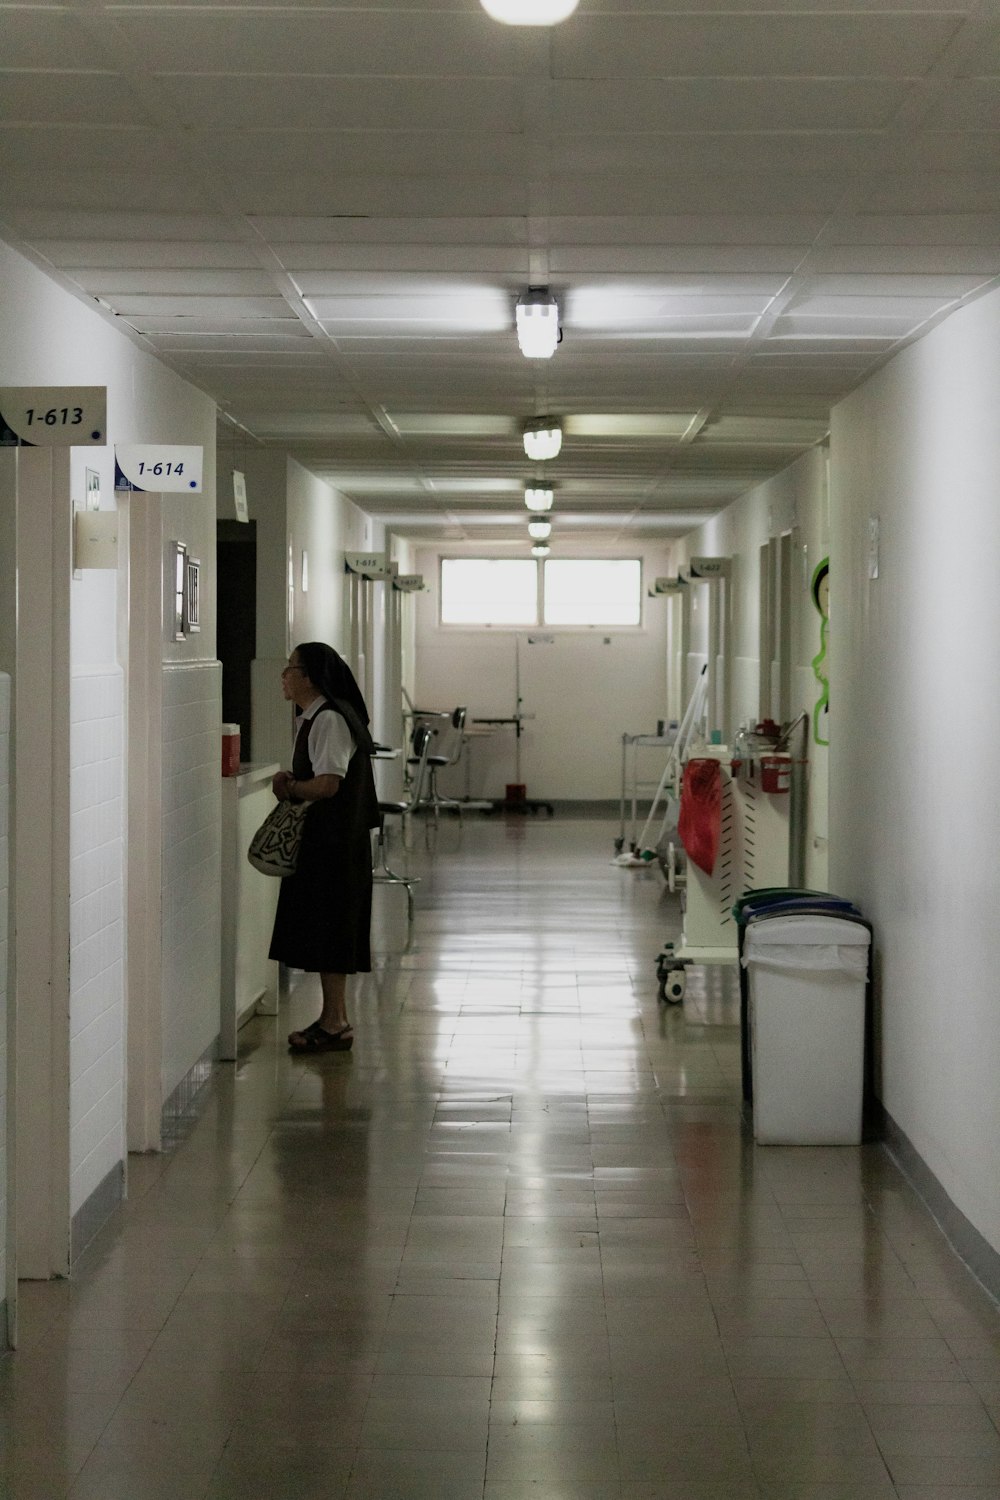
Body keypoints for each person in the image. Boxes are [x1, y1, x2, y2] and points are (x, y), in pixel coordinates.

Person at [269, 642, 380, 1053]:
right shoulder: (313, 718)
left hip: (334, 843)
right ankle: (334, 1018)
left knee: (332, 929)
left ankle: (335, 1022)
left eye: (290, 668)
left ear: (309, 676)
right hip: (328, 841)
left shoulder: (329, 720)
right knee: (326, 929)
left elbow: (328, 784)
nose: (283, 675)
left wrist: (290, 786)